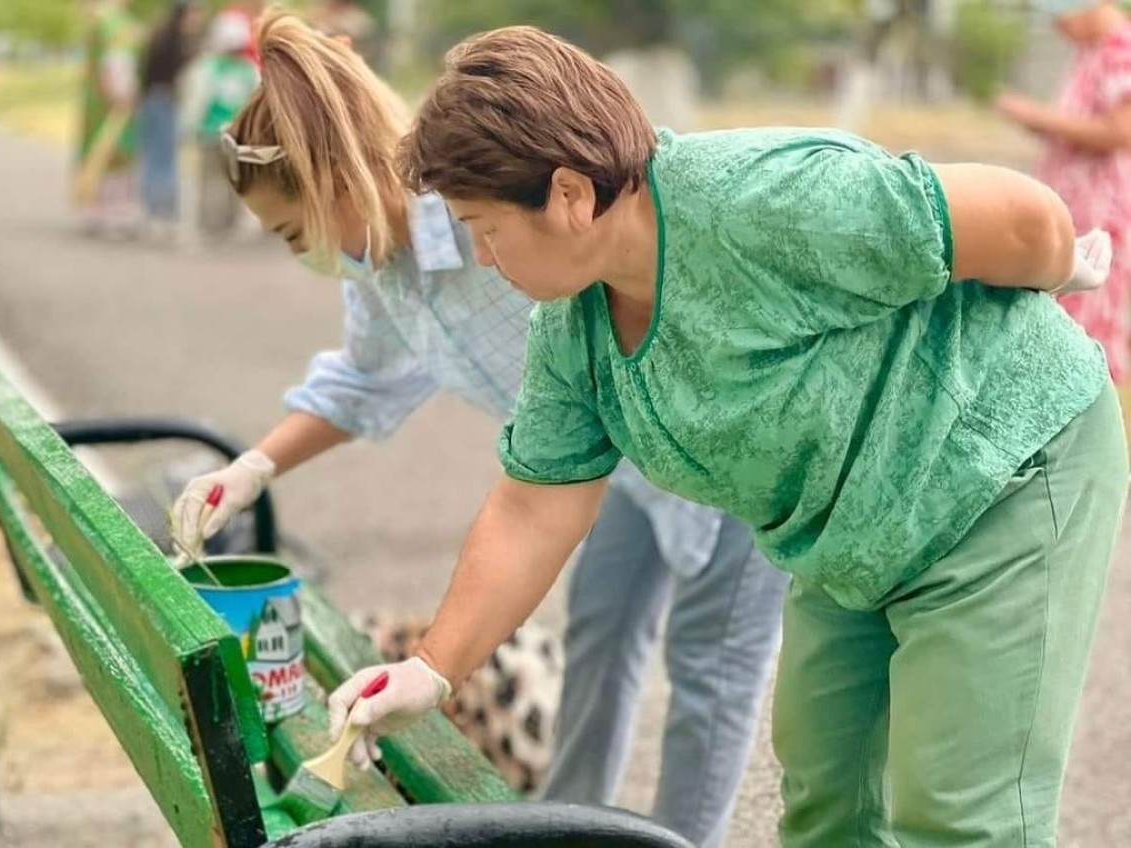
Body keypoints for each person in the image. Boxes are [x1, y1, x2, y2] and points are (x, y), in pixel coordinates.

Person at [324, 25, 1129, 848]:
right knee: (827, 812)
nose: (483, 259)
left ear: (569, 193)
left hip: (1003, 471)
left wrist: (1053, 271)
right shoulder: (574, 328)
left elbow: (1029, 221)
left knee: (956, 820)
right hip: (853, 534)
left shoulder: (759, 201)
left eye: (485, 227)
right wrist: (432, 670)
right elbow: (535, 506)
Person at [168, 12, 786, 846]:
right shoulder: (379, 265)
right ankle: (568, 837)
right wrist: (251, 468)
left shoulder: (485, 219)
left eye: (293, 232)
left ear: (334, 183)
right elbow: (363, 378)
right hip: (600, 468)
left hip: (713, 455)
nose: (301, 255)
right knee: (599, 651)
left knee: (709, 671)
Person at [998, 0, 1131, 437]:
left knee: (1088, 338)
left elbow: (1121, 130)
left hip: (1104, 219)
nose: (1060, 29)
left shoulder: (1121, 49)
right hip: (1076, 215)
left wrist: (1041, 118)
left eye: (1060, 18)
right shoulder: (1091, 52)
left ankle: (1087, 449)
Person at [187, 10, 261, 240]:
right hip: (239, 133)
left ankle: (207, 223)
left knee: (209, 180)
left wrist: (190, 126)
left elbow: (197, 100)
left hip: (211, 131)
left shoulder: (208, 67)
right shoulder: (249, 70)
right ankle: (231, 222)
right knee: (235, 181)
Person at [75, 0, 142, 237]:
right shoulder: (114, 22)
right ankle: (114, 212)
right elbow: (116, 62)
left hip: (94, 100)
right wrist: (122, 94)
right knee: (116, 153)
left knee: (98, 151)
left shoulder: (100, 19)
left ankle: (93, 209)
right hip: (111, 102)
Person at [138, 0, 202, 241]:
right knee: (165, 159)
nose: (197, 20)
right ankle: (163, 213)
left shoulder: (159, 37)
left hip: (153, 100)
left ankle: (154, 212)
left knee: (155, 157)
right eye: (194, 14)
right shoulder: (176, 42)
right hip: (165, 101)